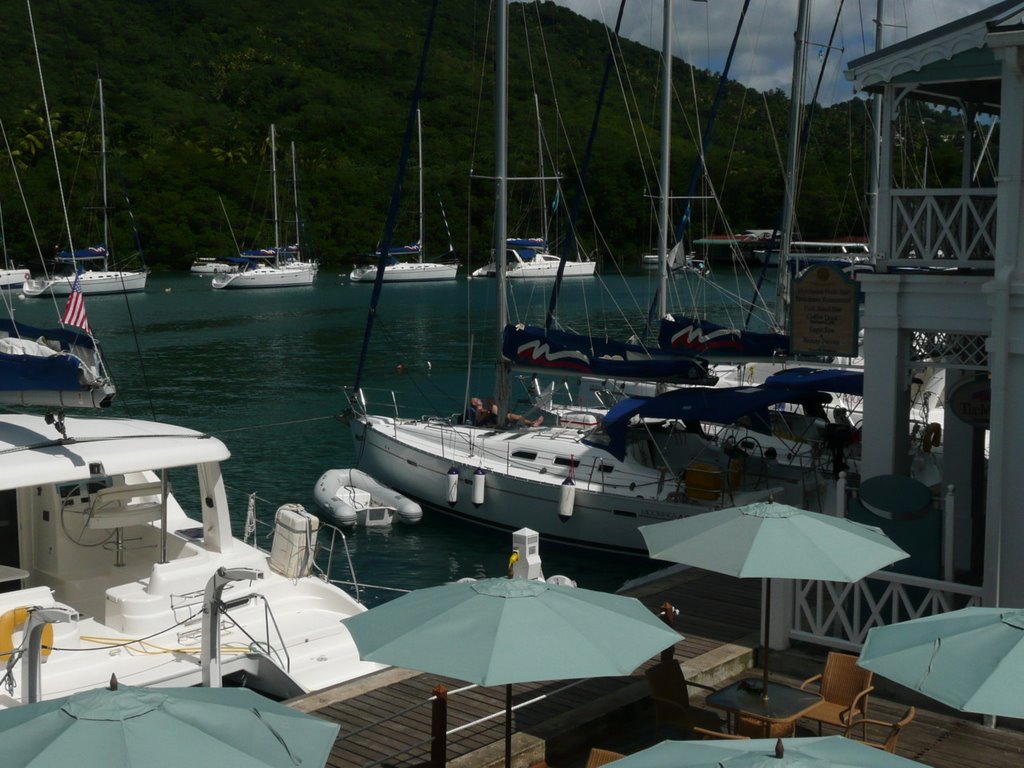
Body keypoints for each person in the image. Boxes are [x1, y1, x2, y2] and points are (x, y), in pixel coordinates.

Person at [468, 397, 543, 427]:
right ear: (474, 403)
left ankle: (532, 423)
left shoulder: (483, 409)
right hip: (493, 419)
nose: (479, 399)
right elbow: (479, 420)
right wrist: (487, 411)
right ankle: (532, 424)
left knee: (517, 417)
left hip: (495, 417)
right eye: (477, 400)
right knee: (490, 400)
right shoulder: (478, 410)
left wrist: (488, 411)